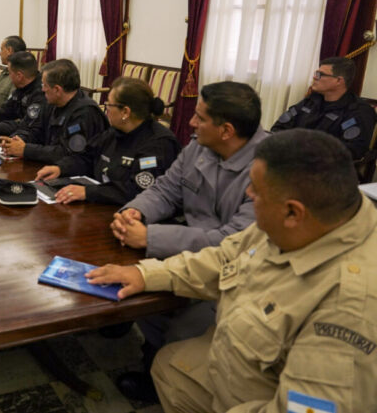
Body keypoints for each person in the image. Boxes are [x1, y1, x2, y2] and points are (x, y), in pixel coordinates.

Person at [87, 129, 377, 413]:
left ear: (293, 212)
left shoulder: (350, 307)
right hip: (232, 362)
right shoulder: (308, 220)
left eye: (257, 191)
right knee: (167, 363)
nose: (248, 194)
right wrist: (145, 274)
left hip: (251, 398)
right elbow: (225, 257)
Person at [109, 81, 267, 401]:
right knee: (142, 293)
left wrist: (151, 237)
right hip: (183, 243)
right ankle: (150, 358)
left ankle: (167, 378)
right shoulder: (199, 146)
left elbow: (230, 243)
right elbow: (166, 189)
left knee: (183, 329)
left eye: (199, 118)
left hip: (236, 271)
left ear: (226, 130)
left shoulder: (269, 168)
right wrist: (135, 213)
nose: (191, 123)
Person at [36, 77, 180, 204]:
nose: (106, 110)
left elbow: (137, 189)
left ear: (125, 112)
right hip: (101, 206)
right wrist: (61, 168)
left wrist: (87, 192)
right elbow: (87, 157)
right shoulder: (114, 132)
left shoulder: (158, 144)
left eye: (109, 105)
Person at [0, 58, 108, 163]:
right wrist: (17, 140)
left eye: (44, 85)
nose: (42, 89)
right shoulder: (52, 103)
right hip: (49, 165)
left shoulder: (85, 113)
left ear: (57, 90)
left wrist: (26, 149)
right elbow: (36, 130)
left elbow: (68, 153)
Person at [271, 57, 376, 159]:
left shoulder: (358, 111)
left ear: (339, 80)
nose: (315, 77)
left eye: (320, 74)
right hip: (293, 158)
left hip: (325, 169)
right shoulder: (311, 101)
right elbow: (279, 127)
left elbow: (353, 150)